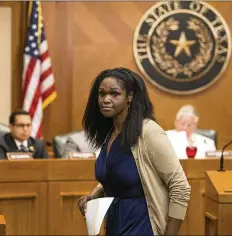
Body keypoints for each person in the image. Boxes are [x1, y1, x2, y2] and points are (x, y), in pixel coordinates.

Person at [78, 68, 191, 236]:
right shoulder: (110, 133)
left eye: (114, 94)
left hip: (142, 225)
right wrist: (93, 195)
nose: (106, 99)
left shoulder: (149, 132)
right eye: (102, 94)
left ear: (129, 97)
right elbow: (116, 175)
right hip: (115, 223)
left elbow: (180, 187)